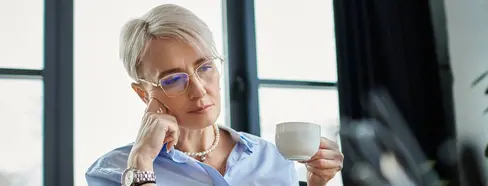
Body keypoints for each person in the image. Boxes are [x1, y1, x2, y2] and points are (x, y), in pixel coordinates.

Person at [85, 4, 343, 186]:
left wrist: (317, 185)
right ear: (143, 94)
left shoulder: (273, 158)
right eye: (173, 79)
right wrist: (141, 163)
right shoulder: (114, 172)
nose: (199, 91)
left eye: (205, 67)